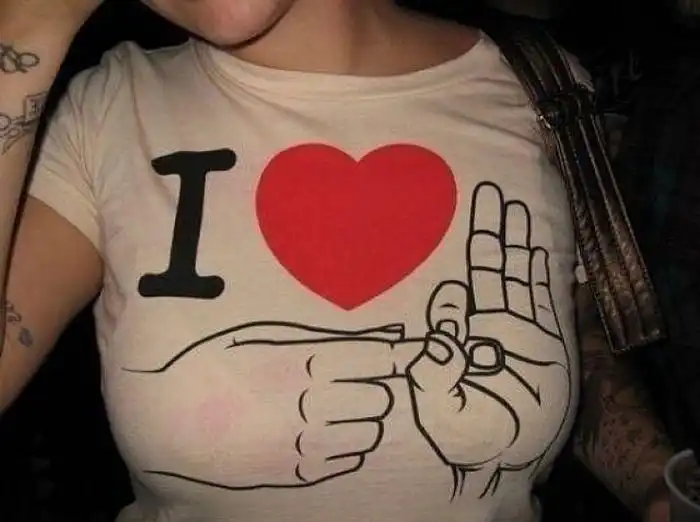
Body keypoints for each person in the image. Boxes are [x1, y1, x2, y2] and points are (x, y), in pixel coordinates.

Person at [0, 0, 677, 520]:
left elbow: (573, 340)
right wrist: (29, 22)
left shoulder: (546, 87)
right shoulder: (107, 111)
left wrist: (655, 482)